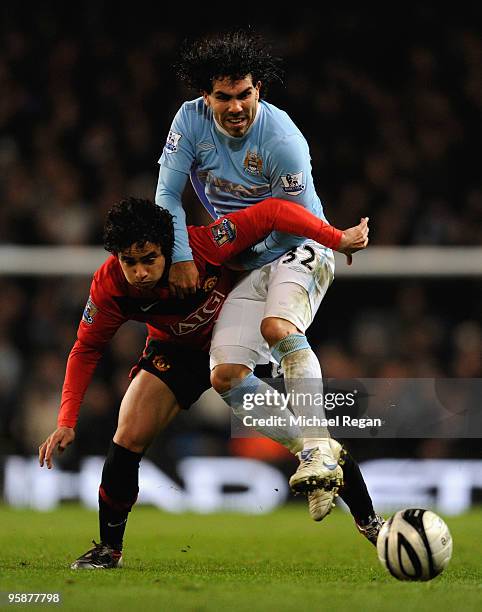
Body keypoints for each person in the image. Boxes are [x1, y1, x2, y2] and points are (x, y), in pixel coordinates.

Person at [38, 196, 375, 569]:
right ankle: (109, 549)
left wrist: (333, 237)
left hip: (233, 342)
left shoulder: (205, 244)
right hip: (176, 352)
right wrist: (66, 421)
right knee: (128, 434)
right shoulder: (110, 286)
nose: (140, 273)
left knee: (303, 437)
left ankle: (368, 522)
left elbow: (273, 212)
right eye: (129, 261)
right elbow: (86, 348)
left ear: (170, 249)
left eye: (149, 259)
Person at [155, 29, 381, 533]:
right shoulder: (189, 122)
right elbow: (166, 196)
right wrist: (182, 255)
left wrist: (337, 239)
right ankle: (318, 457)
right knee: (226, 377)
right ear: (206, 95)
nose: (236, 107)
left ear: (260, 90)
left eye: (245, 94)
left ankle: (320, 446)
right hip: (245, 259)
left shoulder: (281, 139)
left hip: (303, 244)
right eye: (224, 96)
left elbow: (290, 216)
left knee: (280, 328)